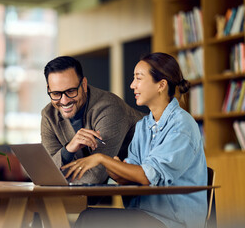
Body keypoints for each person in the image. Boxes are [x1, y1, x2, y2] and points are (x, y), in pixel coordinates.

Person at [62, 52, 208, 228]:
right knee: (89, 216)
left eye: (138, 78)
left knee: (90, 219)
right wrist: (113, 166)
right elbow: (131, 178)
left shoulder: (182, 125)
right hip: (145, 215)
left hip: (172, 222)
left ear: (161, 85)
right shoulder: (143, 125)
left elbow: (147, 176)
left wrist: (102, 159)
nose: (132, 85)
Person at [41, 56, 144, 184]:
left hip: (157, 186)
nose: (64, 101)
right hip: (129, 191)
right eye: (56, 94)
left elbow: (94, 178)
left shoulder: (109, 108)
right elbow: (46, 172)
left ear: (83, 85)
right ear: (49, 89)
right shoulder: (48, 115)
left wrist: (55, 178)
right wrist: (67, 150)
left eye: (71, 91)